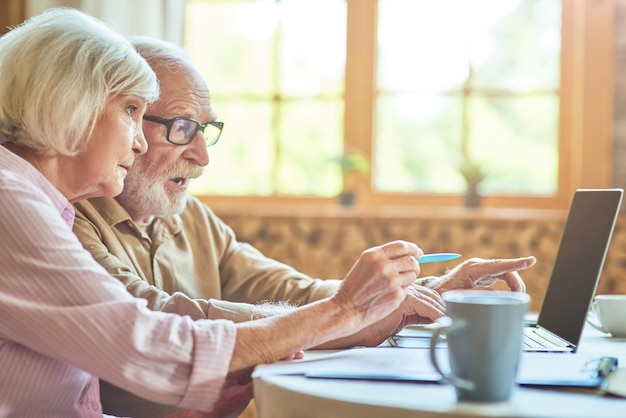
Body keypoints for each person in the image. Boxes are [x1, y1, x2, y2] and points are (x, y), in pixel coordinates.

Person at [0, 8, 451, 418]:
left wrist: (419, 293)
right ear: (70, 107)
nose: (136, 141)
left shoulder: (41, 202)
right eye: (132, 111)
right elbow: (145, 337)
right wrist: (345, 311)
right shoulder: (14, 203)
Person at [72, 36, 537, 416]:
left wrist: (422, 294)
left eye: (206, 131)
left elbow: (293, 291)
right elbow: (162, 320)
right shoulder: (67, 218)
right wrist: (349, 314)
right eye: (181, 127)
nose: (202, 156)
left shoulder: (188, 215)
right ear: (119, 121)